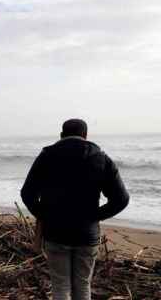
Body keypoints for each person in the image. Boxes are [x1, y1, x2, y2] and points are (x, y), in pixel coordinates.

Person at [21, 119, 129, 300]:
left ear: (61, 135)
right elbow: (122, 199)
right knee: (83, 284)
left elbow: (27, 193)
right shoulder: (101, 158)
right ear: (85, 136)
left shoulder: (47, 156)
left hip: (56, 232)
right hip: (87, 234)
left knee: (61, 285)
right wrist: (95, 216)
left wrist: (45, 215)